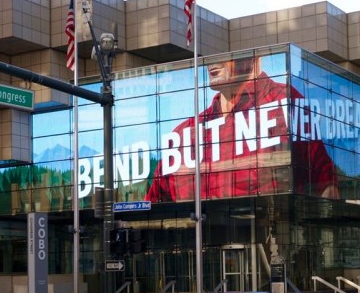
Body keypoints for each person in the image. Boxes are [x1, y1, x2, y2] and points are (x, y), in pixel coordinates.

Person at [145, 56, 339, 202]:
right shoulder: (185, 133)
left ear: (255, 58)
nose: (212, 62)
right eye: (208, 55)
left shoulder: (284, 102)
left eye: (223, 54)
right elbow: (152, 207)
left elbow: (325, 184)